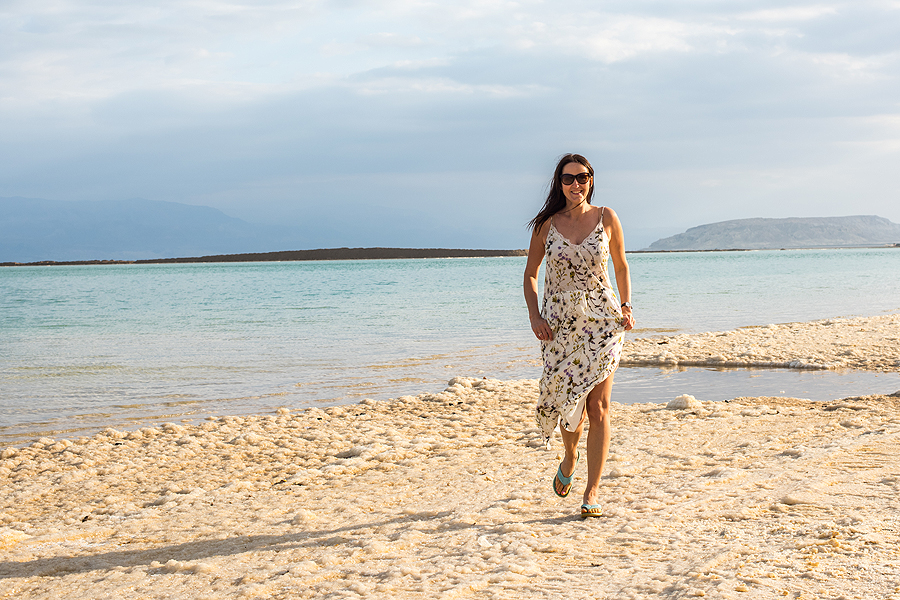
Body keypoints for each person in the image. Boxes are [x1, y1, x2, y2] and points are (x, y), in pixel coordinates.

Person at [523, 153, 635, 518]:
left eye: (582, 177)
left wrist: (626, 306)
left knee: (598, 407)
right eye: (569, 178)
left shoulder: (607, 217)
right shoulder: (546, 224)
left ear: (591, 180)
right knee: (569, 407)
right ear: (559, 182)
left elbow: (621, 265)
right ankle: (570, 455)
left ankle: (592, 491)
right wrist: (535, 315)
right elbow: (530, 274)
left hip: (603, 322)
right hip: (559, 327)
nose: (576, 184)